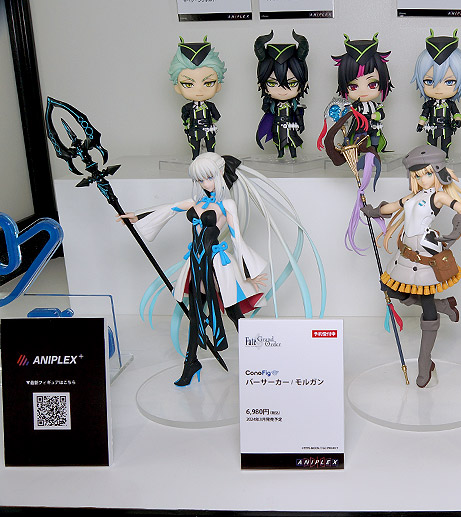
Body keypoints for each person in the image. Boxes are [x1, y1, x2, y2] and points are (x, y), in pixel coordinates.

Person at [120, 153, 325, 386]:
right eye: (200, 180)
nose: (204, 184)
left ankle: (262, 358)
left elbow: (237, 238)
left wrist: (249, 273)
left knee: (234, 312)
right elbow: (168, 209)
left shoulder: (226, 205)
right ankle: (191, 363)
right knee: (196, 315)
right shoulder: (196, 202)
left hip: (216, 264)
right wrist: (136, 217)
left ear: (219, 174)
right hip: (196, 264)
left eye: (208, 178)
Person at [362, 146, 461, 388]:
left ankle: (425, 362)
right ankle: (444, 305)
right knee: (390, 290)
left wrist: (458, 226)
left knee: (427, 307)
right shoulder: (411, 198)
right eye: (417, 175)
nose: (422, 179)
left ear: (438, 171)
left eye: (427, 173)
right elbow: (391, 206)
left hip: (426, 253)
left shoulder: (438, 197)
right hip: (406, 254)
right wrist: (373, 211)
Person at [327, 34, 393, 152]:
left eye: (372, 85)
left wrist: (374, 116)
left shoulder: (375, 105)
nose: (363, 91)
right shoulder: (355, 106)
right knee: (358, 140)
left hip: (373, 126)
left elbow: (381, 114)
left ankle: (374, 151)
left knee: (375, 139)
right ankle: (357, 152)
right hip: (360, 128)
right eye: (353, 86)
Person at [412, 30, 461, 157]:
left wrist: (458, 120)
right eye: (429, 81)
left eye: (449, 82)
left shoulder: (450, 104)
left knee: (445, 143)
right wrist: (420, 124)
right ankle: (433, 157)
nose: (438, 88)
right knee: (431, 143)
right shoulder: (429, 104)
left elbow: (456, 112)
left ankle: (445, 156)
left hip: (446, 127)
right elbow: (424, 114)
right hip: (432, 127)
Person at [254, 30, 309, 159]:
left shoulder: (294, 105)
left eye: (292, 83)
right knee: (279, 143)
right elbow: (266, 110)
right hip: (277, 127)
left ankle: (293, 156)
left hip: (290, 126)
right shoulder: (273, 105)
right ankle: (280, 155)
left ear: (304, 84)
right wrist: (267, 103)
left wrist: (300, 124)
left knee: (292, 143)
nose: (282, 90)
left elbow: (298, 114)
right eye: (272, 83)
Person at [169, 37, 225, 159]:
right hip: (194, 130)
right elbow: (185, 119)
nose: (199, 91)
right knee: (195, 148)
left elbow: (216, 116)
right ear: (177, 87)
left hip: (208, 130)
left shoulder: (210, 106)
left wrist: (212, 124)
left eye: (208, 83)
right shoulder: (187, 108)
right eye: (188, 84)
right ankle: (195, 160)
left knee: (211, 148)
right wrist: (186, 126)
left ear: (218, 85)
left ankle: (212, 160)